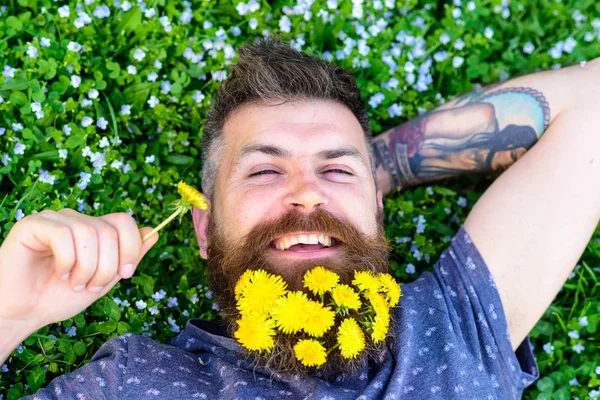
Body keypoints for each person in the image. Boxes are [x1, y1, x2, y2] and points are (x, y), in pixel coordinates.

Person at [1, 35, 599, 399]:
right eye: (264, 171)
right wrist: (12, 307)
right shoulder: (131, 384)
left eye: (336, 171)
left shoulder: (452, 325)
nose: (307, 195)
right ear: (204, 229)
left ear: (380, 214)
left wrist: (372, 172)